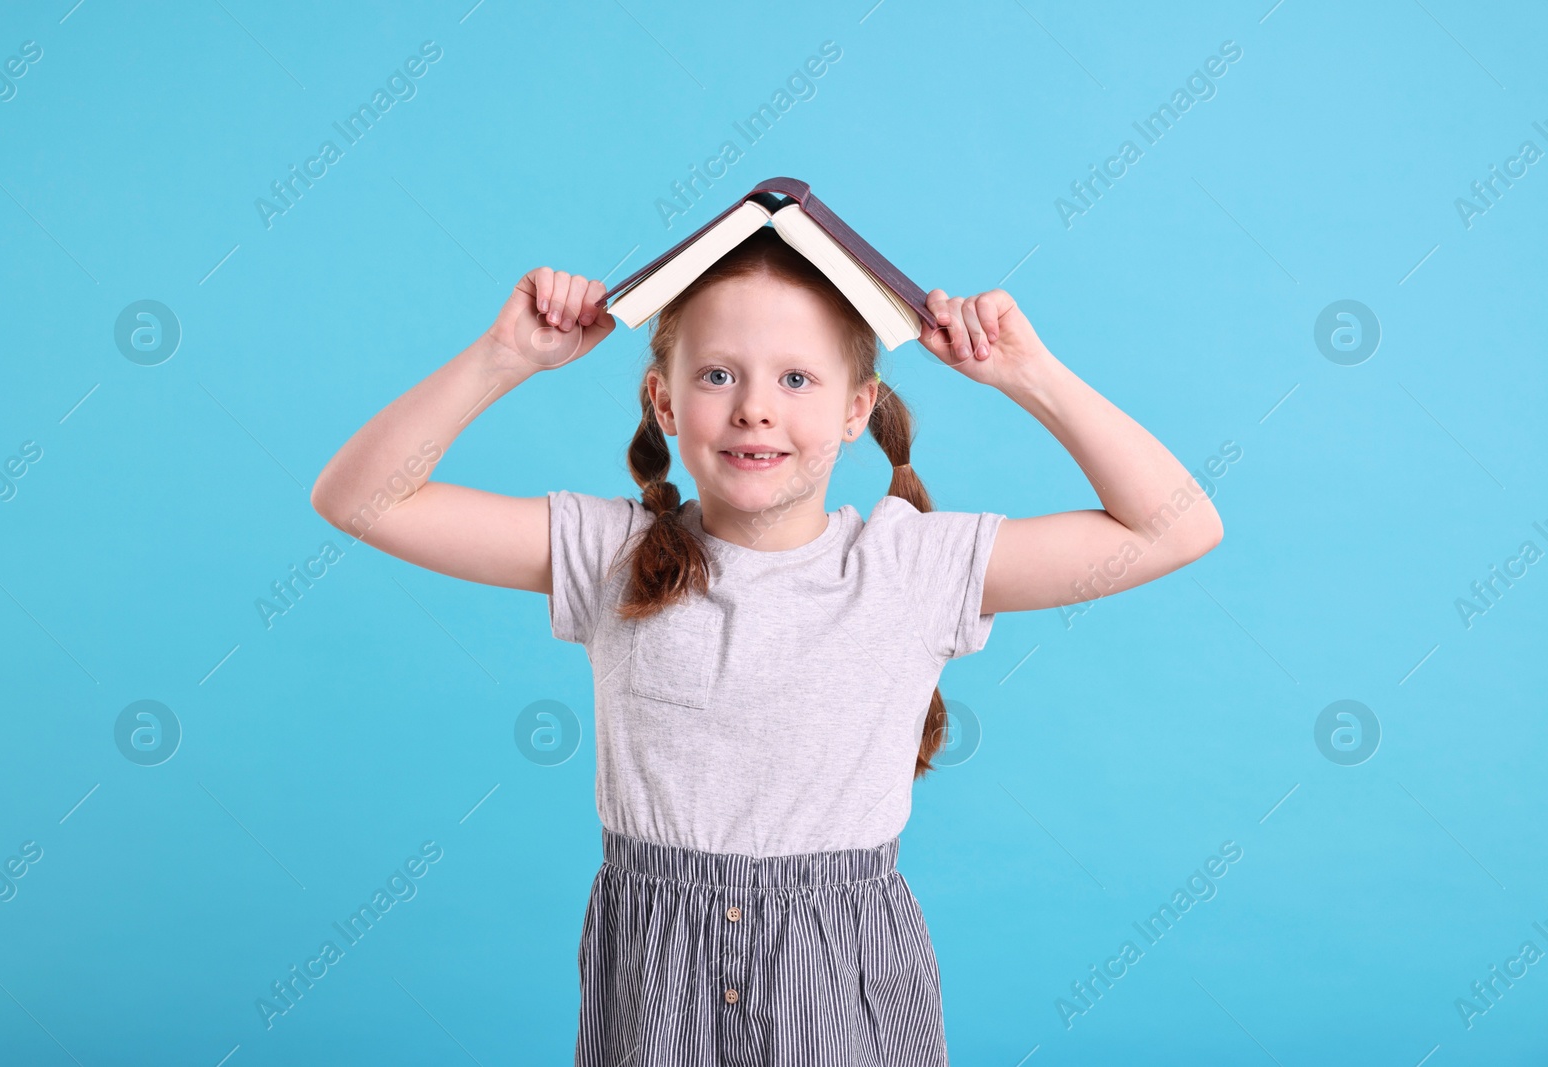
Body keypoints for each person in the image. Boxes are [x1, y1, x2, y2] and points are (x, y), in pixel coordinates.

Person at [310, 226, 1223, 1065]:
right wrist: (501, 359)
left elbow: (1175, 528)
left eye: (797, 379)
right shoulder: (611, 553)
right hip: (655, 980)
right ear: (664, 402)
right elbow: (361, 499)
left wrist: (1031, 375)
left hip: (846, 978)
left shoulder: (911, 566)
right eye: (717, 376)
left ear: (858, 408)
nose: (754, 408)